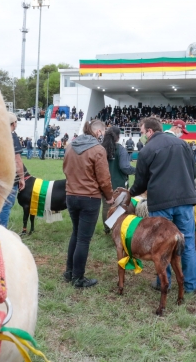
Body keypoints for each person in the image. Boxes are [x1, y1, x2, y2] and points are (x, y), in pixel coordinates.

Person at [129, 117, 196, 294]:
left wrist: (130, 193)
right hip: (185, 200)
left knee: (161, 244)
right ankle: (191, 285)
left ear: (150, 131)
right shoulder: (183, 145)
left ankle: (163, 282)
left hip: (161, 203)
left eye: (142, 132)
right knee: (188, 243)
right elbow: (193, 172)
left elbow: (140, 183)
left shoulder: (147, 150)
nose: (142, 135)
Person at [62, 120, 113, 288]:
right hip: (89, 198)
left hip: (71, 195)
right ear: (98, 132)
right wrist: (109, 197)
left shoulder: (70, 146)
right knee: (83, 239)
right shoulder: (98, 149)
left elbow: (65, 169)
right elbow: (104, 179)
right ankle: (78, 278)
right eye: (103, 132)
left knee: (76, 234)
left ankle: (69, 272)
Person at [100, 126, 136, 233]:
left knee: (106, 206)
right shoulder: (120, 149)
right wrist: (137, 171)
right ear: (118, 136)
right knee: (119, 207)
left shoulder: (101, 149)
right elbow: (125, 167)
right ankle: (116, 229)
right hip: (118, 184)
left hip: (103, 183)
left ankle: (107, 229)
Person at [0, 113, 26, 227]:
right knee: (5, 206)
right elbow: (17, 160)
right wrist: (22, 178)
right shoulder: (11, 136)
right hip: (8, 179)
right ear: (14, 123)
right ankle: (1, 232)